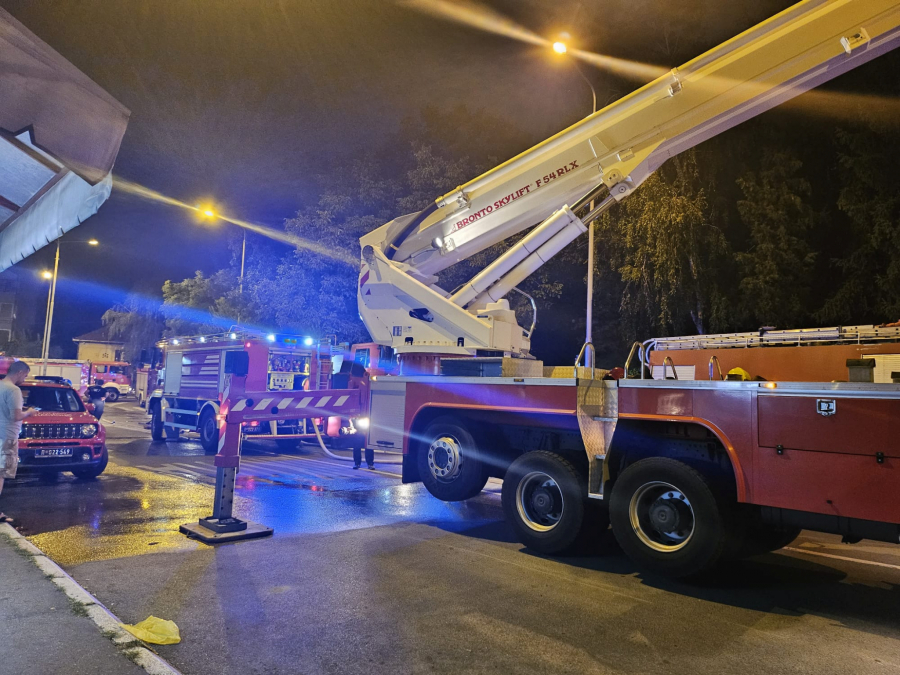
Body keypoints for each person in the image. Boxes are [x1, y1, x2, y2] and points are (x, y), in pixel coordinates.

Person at [0, 361, 35, 522]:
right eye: (25, 375)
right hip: (7, 437)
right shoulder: (14, 390)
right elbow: (16, 416)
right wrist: (29, 412)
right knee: (1, 474)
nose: (24, 379)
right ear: (20, 372)